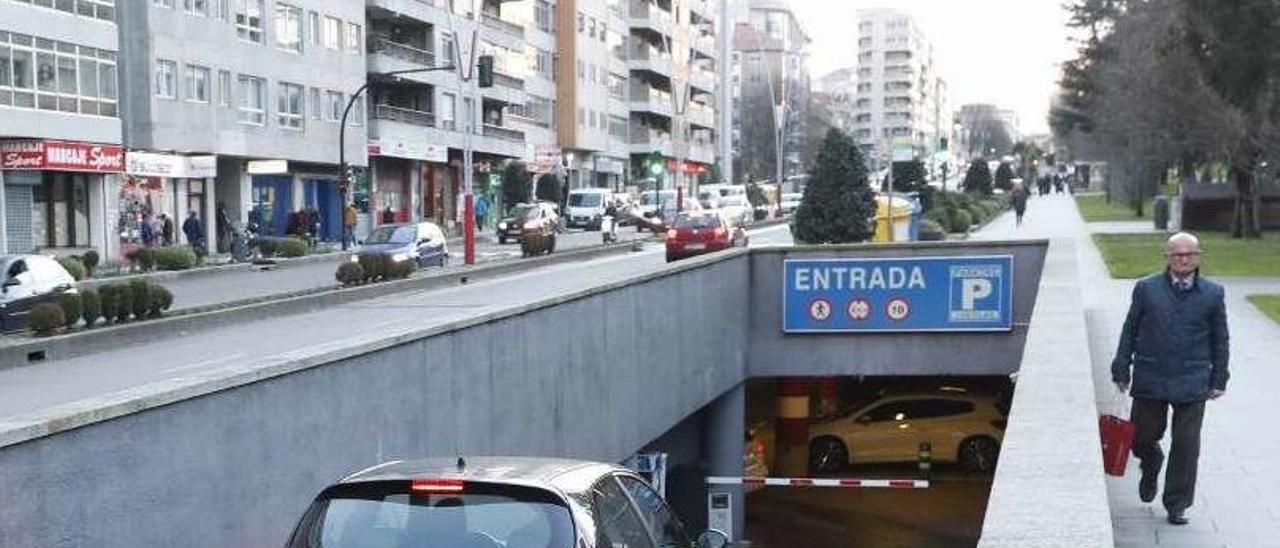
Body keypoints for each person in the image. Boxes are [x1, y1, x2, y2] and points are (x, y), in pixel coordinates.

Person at [1111, 232, 1229, 526]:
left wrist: (1219, 377)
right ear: (1168, 258)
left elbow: (1220, 340)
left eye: (1190, 253)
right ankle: (1151, 462)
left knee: (1187, 445)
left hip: (1193, 379)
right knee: (1141, 437)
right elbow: (1130, 329)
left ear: (1198, 257)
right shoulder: (1147, 289)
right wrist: (1121, 366)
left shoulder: (1213, 294)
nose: (1184, 258)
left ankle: (1177, 503)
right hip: (1152, 375)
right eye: (1178, 254)